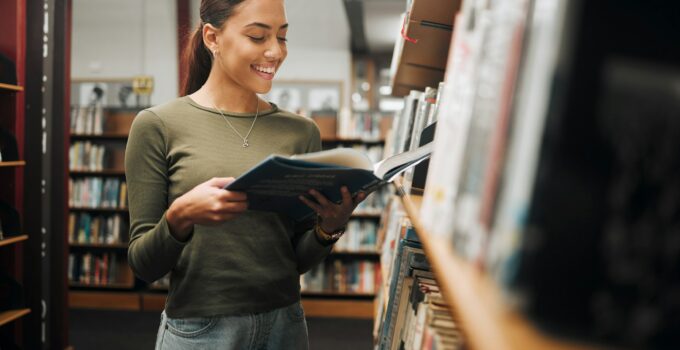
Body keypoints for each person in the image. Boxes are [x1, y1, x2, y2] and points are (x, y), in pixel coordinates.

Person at [124, 0, 366, 349]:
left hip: (286, 325)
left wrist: (328, 228)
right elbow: (144, 265)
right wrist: (180, 216)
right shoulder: (158, 126)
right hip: (201, 331)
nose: (275, 52)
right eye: (257, 36)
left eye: (282, 38)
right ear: (212, 37)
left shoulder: (302, 132)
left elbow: (295, 260)